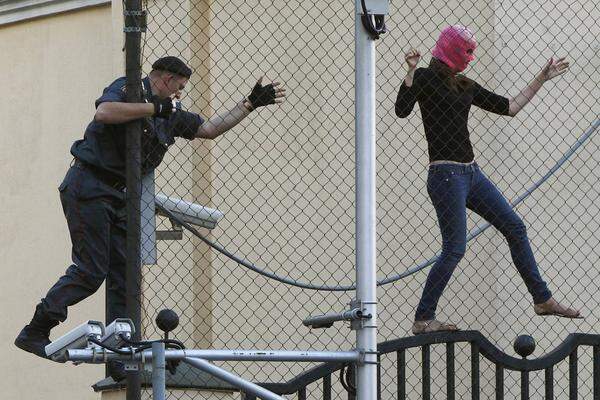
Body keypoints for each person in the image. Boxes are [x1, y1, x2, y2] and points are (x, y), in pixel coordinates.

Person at [14, 56, 286, 367]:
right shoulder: (130, 90)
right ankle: (35, 330)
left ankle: (120, 348)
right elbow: (105, 112)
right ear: (165, 80)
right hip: (88, 186)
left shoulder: (170, 113)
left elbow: (209, 129)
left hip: (119, 196)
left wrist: (248, 104)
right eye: (178, 88)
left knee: (125, 274)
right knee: (91, 270)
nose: (179, 95)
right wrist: (155, 108)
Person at [394, 25, 582, 335]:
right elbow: (402, 110)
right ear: (450, 49)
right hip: (445, 176)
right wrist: (411, 72)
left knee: (514, 226)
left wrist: (541, 78)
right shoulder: (425, 79)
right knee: (454, 248)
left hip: (472, 173)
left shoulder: (465, 84)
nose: (471, 57)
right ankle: (423, 318)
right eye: (466, 50)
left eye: (472, 51)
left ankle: (542, 299)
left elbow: (510, 107)